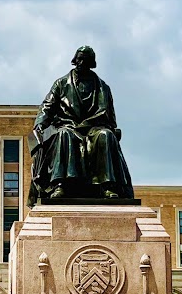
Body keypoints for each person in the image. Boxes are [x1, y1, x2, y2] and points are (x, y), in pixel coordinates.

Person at [29, 46, 136, 204]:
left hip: (94, 128)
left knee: (105, 135)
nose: (80, 63)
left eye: (84, 60)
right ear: (74, 60)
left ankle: (108, 186)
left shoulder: (102, 87)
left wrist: (102, 126)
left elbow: (109, 117)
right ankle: (60, 185)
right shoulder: (61, 84)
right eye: (78, 59)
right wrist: (39, 125)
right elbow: (47, 107)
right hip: (69, 126)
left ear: (91, 63)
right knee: (64, 134)